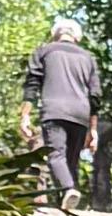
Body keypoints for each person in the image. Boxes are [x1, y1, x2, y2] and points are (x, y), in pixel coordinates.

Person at [29, 18, 100, 203]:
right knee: (70, 161)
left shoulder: (44, 51)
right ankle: (67, 203)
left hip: (54, 110)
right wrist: (93, 130)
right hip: (80, 113)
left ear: (55, 34)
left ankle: (69, 190)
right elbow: (95, 95)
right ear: (77, 37)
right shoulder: (88, 57)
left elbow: (32, 84)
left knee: (55, 155)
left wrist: (25, 115)